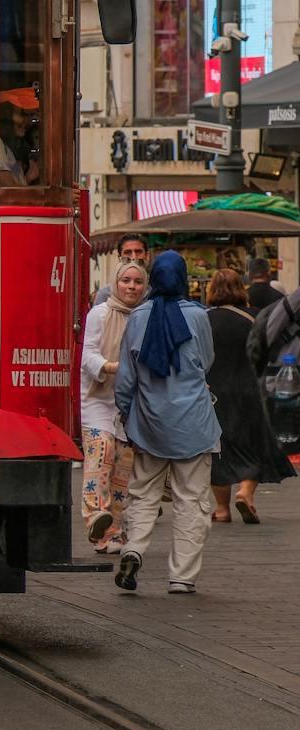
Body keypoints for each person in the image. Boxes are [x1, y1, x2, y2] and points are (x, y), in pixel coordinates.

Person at [113, 251, 222, 595]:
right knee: (192, 499)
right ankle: (182, 576)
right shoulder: (197, 316)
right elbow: (206, 362)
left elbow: (125, 380)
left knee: (143, 495)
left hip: (150, 424)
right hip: (194, 424)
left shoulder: (138, 317)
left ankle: (133, 550)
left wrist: (127, 415)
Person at [204, 269, 294, 523]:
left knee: (219, 450)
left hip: (215, 393)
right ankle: (245, 492)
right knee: (255, 444)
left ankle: (222, 509)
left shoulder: (204, 319)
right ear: (240, 289)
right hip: (251, 390)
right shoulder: (256, 317)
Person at [80, 260, 146, 553]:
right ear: (116, 283)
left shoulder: (146, 316)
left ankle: (113, 533)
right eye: (126, 281)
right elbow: (87, 354)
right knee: (102, 450)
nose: (131, 287)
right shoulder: (100, 313)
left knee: (123, 467)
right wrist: (111, 367)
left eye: (137, 282)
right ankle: (95, 515)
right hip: (98, 399)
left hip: (130, 404)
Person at [0, 88, 42, 185]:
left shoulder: (6, 148)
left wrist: (29, 177)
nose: (29, 122)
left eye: (31, 116)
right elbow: (8, 191)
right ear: (4, 116)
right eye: (22, 114)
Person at [93, 235, 150, 306]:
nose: (133, 257)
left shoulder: (155, 293)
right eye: (127, 252)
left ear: (147, 256)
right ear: (119, 258)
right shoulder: (105, 295)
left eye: (138, 252)